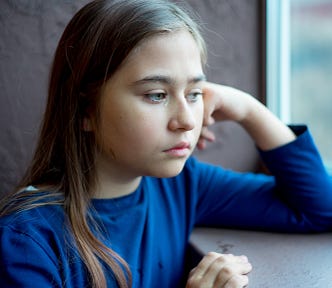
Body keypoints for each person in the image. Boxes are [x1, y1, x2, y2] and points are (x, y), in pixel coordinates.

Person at [0, 0, 331, 287]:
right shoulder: (26, 240)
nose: (187, 120)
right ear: (85, 110)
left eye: (194, 94)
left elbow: (320, 209)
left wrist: (248, 109)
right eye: (156, 95)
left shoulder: (184, 187)